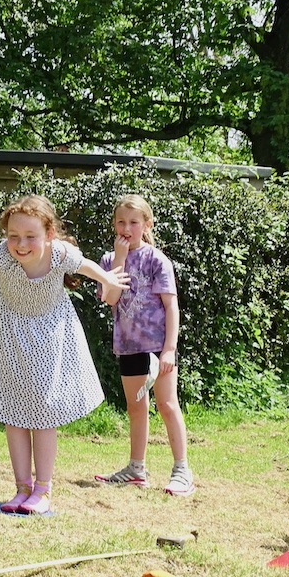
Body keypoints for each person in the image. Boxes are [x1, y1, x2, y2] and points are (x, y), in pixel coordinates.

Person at [0, 194, 130, 515]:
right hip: (9, 335)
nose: (21, 244)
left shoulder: (60, 254)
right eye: (13, 236)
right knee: (15, 410)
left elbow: (85, 265)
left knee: (44, 410)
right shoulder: (2, 255)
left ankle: (43, 490)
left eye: (30, 237)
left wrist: (105, 277)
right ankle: (22, 488)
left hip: (51, 335)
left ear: (49, 234)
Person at [94, 194, 194, 496]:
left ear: (146, 225)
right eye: (121, 222)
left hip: (156, 347)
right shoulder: (108, 261)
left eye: (133, 222)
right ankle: (136, 469)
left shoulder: (157, 260)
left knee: (166, 404)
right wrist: (120, 260)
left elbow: (171, 307)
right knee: (136, 408)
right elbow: (109, 298)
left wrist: (169, 349)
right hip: (128, 346)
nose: (126, 228)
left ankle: (182, 471)